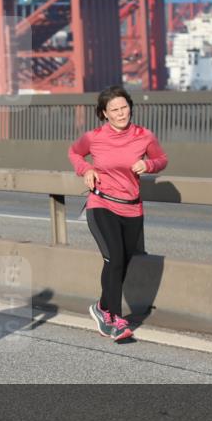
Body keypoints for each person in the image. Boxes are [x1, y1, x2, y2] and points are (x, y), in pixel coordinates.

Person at [68, 86, 168, 341]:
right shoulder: (94, 137)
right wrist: (86, 169)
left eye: (124, 107)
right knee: (113, 257)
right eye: (114, 109)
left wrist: (148, 164)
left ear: (130, 108)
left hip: (132, 207)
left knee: (122, 261)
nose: (121, 113)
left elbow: (162, 159)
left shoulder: (144, 136)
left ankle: (101, 307)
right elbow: (75, 152)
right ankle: (113, 318)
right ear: (104, 113)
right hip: (102, 204)